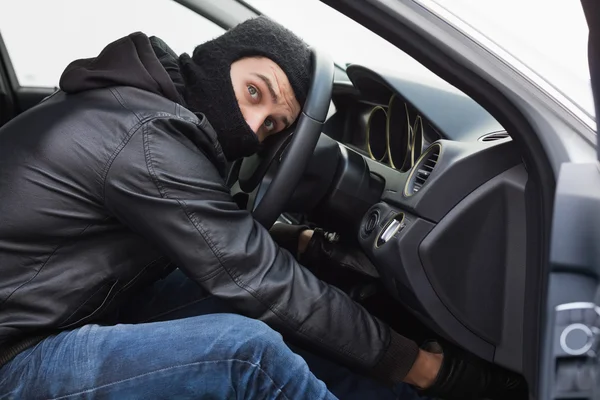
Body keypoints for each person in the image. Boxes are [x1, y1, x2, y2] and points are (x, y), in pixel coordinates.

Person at [0, 16, 525, 399]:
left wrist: (296, 243)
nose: (254, 128)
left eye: (274, 125)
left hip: (57, 310)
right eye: (255, 92)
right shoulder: (144, 138)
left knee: (244, 302)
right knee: (246, 351)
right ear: (220, 59)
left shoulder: (147, 108)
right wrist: (426, 368)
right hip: (14, 357)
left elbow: (214, 238)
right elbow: (260, 278)